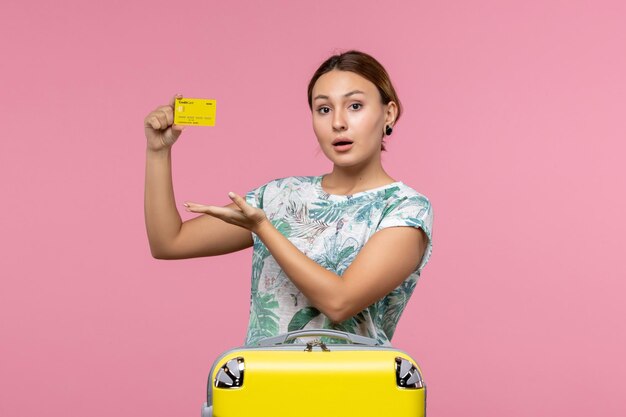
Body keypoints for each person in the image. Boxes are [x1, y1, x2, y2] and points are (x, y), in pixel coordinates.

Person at [144, 50, 433, 346]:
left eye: (355, 106)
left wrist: (264, 229)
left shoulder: (405, 208)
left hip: (353, 388)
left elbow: (340, 301)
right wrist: (158, 151)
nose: (338, 123)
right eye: (323, 109)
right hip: (262, 386)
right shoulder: (282, 196)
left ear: (389, 113)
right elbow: (169, 242)